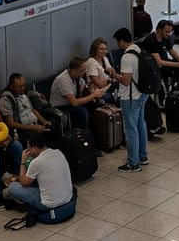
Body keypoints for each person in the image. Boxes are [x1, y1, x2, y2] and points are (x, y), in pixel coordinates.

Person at [4, 132, 75, 221]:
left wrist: (23, 161)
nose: (28, 150)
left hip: (48, 204)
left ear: (34, 148)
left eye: (29, 147)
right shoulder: (58, 152)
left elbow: (24, 182)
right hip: (68, 197)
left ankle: (17, 200)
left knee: (13, 187)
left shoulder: (37, 162)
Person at [111, 27, 149, 172]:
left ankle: (133, 163)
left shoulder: (127, 57)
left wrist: (114, 75)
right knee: (140, 124)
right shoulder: (138, 50)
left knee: (130, 129)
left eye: (118, 42)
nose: (118, 45)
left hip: (130, 97)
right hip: (142, 94)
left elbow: (126, 81)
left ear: (121, 41)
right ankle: (143, 156)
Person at [49, 57, 106, 131]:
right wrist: (93, 95)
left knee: (95, 105)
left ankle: (97, 134)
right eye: (82, 70)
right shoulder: (63, 79)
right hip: (61, 107)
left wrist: (94, 95)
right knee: (81, 111)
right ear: (73, 70)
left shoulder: (78, 78)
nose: (84, 72)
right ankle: (82, 135)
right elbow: (74, 102)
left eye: (84, 70)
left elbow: (85, 93)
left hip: (71, 104)